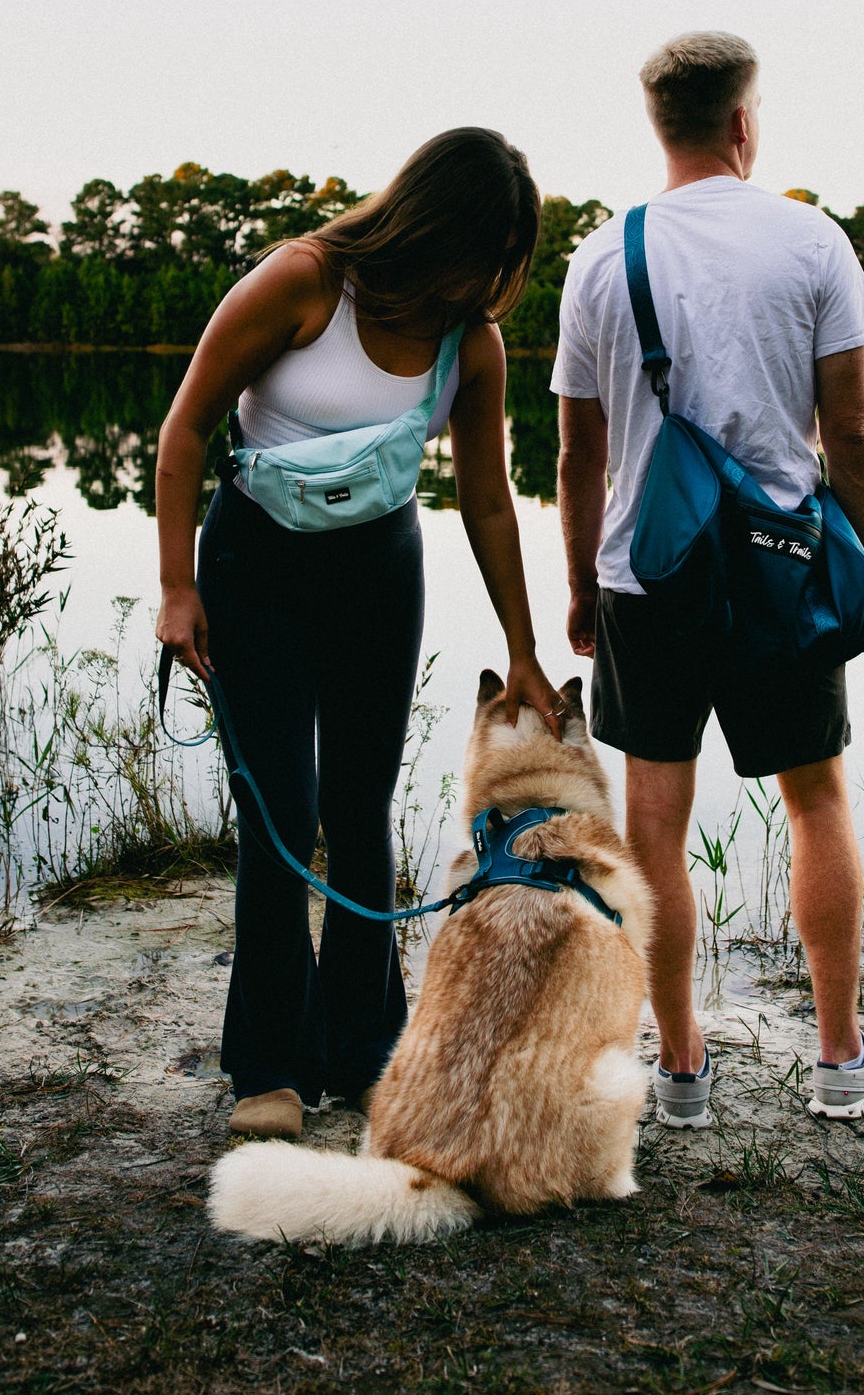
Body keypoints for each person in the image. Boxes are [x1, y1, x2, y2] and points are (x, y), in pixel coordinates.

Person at [156, 129, 566, 1141]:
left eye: (508, 259)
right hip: (256, 569)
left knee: (360, 808)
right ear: (436, 226)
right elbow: (184, 429)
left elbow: (487, 500)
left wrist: (521, 645)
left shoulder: (469, 344)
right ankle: (269, 1066)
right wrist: (176, 588)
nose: (494, 279)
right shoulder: (301, 283)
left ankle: (364, 1053)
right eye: (489, 250)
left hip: (379, 576)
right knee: (282, 820)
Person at [552, 33, 864, 1129]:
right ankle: (841, 1060)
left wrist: (579, 587)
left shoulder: (604, 255)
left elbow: (578, 452)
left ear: (660, 127)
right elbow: (849, 428)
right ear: (746, 123)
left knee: (654, 816)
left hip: (644, 582)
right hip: (781, 576)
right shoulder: (811, 241)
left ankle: (680, 1073)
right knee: (816, 802)